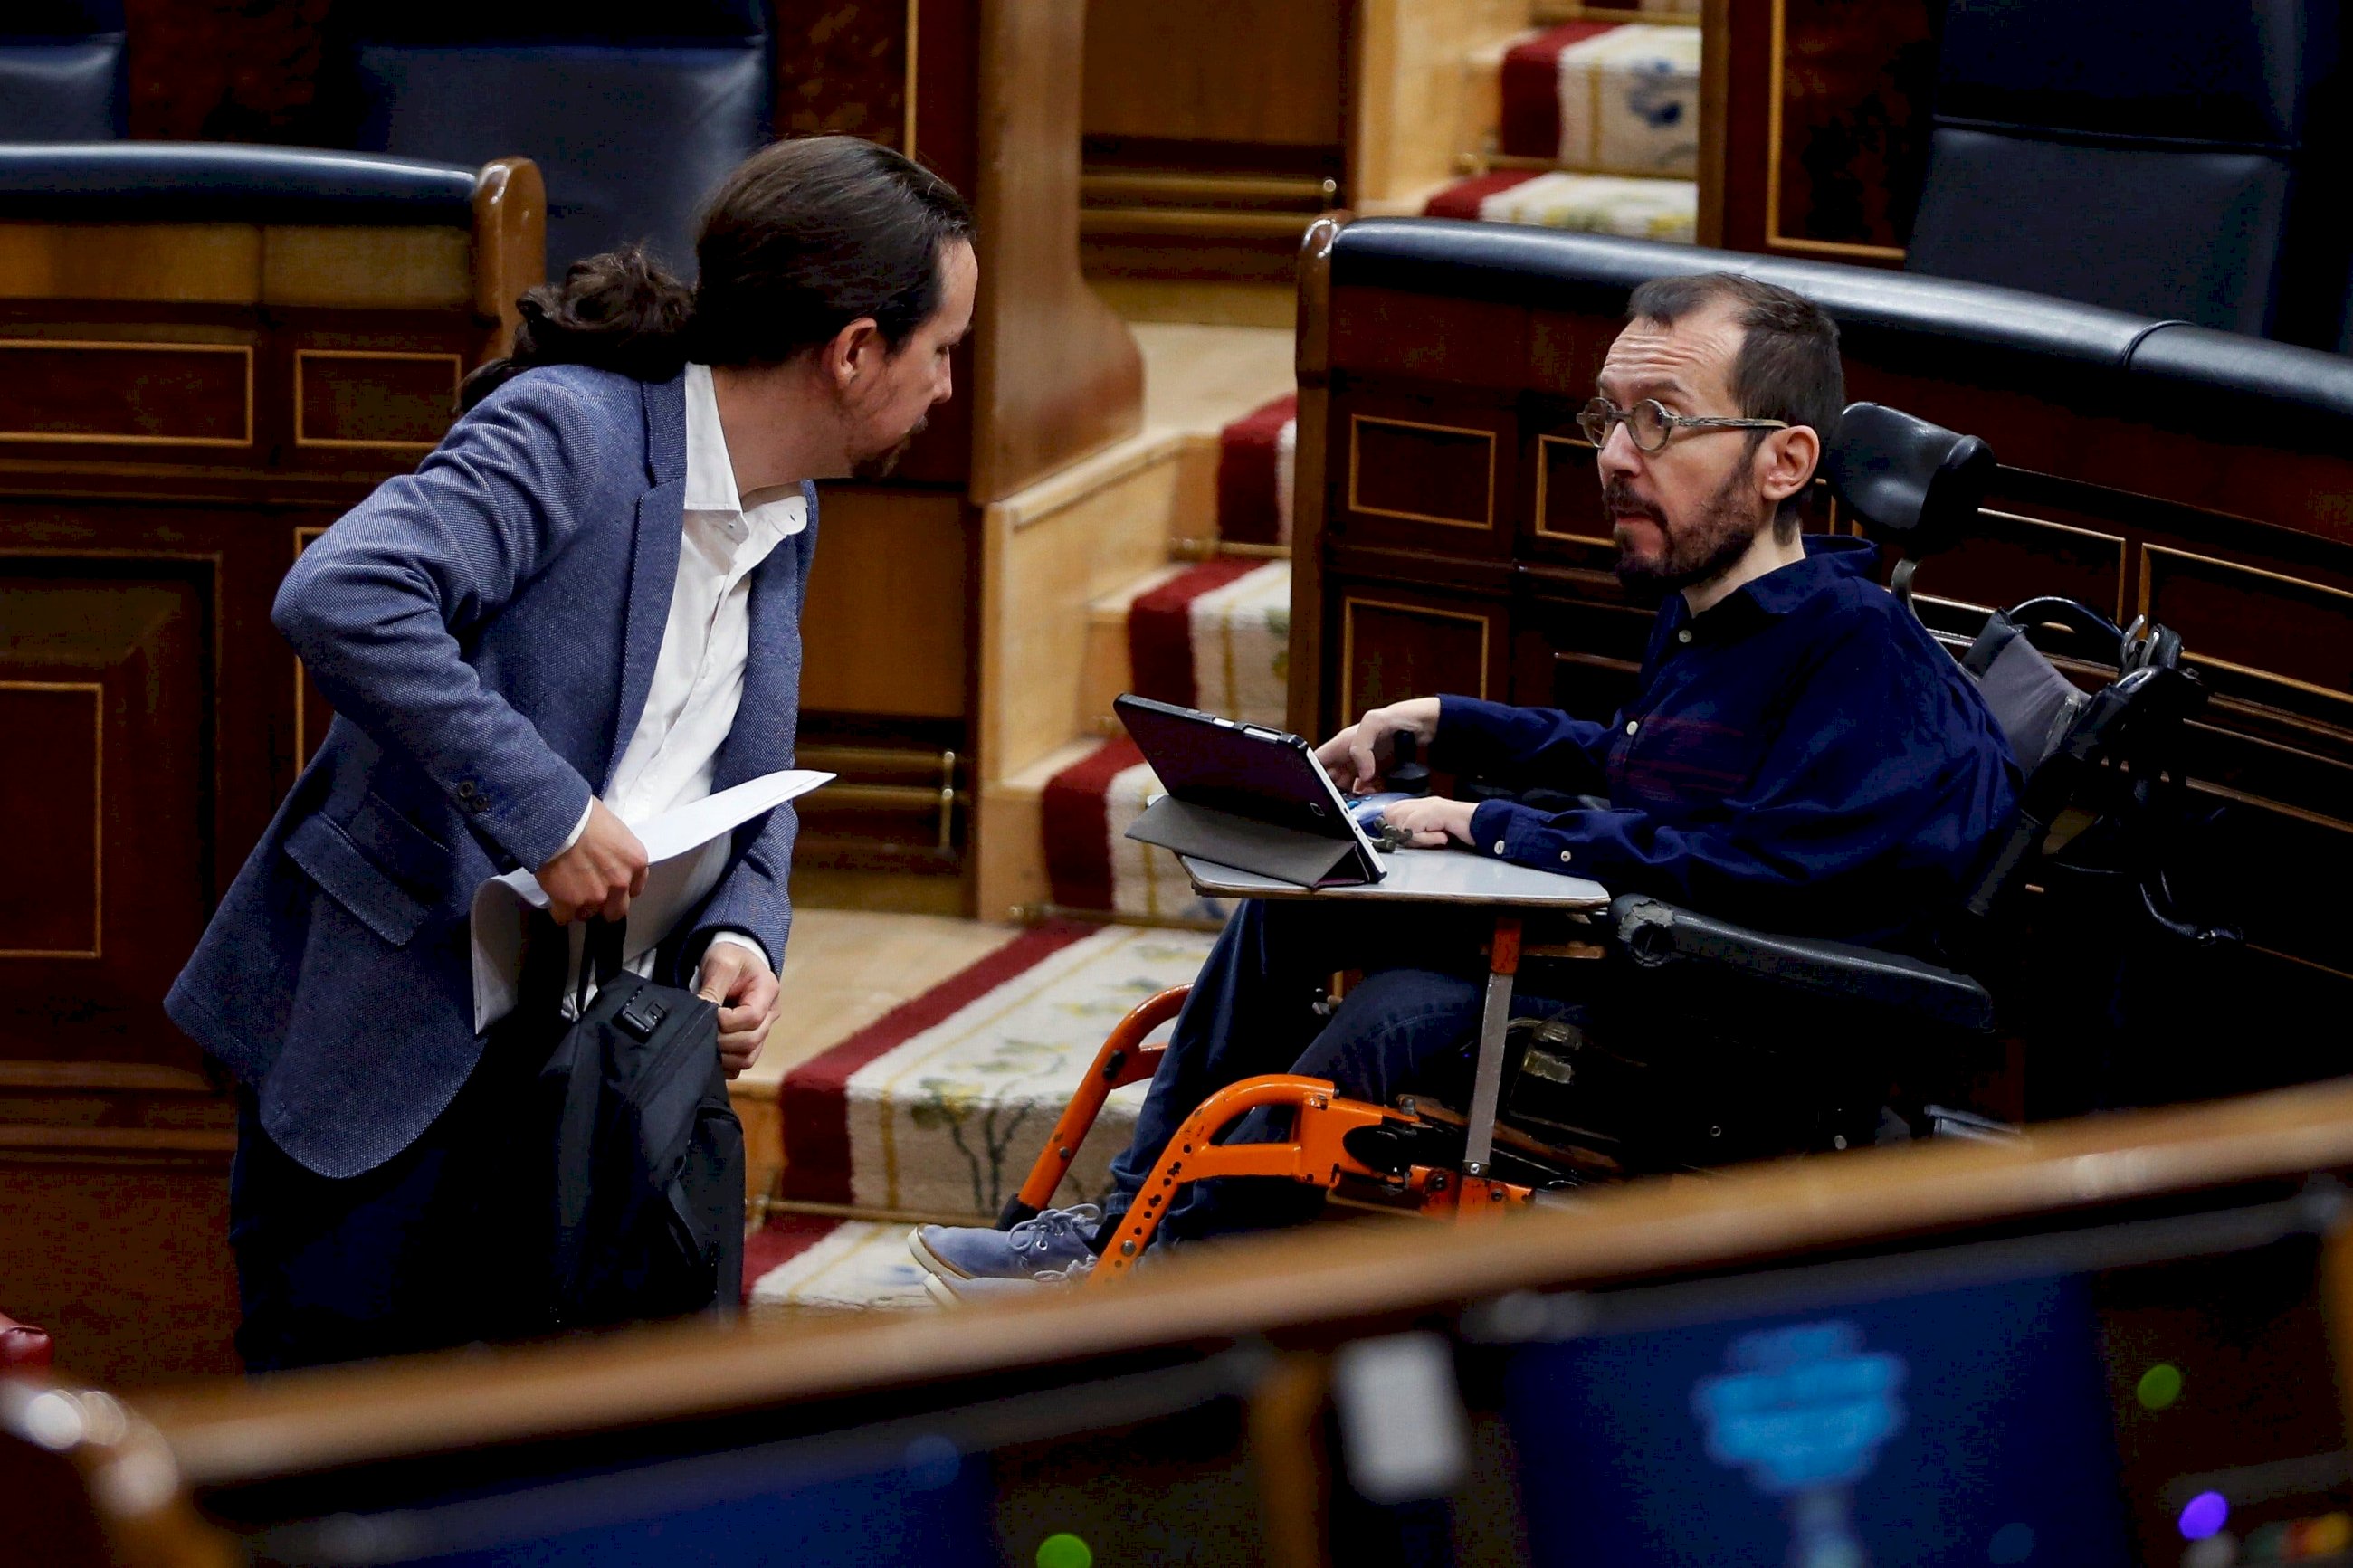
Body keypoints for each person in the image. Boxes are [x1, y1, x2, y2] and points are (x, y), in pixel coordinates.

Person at [910, 271, 2021, 1298]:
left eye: (1661, 421)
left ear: (1781, 462)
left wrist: (1488, 822)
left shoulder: (1860, 653)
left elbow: (1777, 873)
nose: (1616, 455)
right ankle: (1119, 1233)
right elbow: (1645, 771)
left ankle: (1181, 1288)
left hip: (1727, 1015)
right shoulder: (1715, 614)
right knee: (1290, 908)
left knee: (1401, 1011)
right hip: (1633, 944)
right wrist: (1443, 724)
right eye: (1607, 417)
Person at [167, 136, 976, 1371]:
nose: (949, 389)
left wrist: (749, 927)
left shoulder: (790, 502)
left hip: (574, 1072)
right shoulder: (577, 431)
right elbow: (343, 590)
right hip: (393, 1037)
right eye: (943, 350)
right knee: (341, 1468)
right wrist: (548, 815)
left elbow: (756, 776)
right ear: (855, 350)